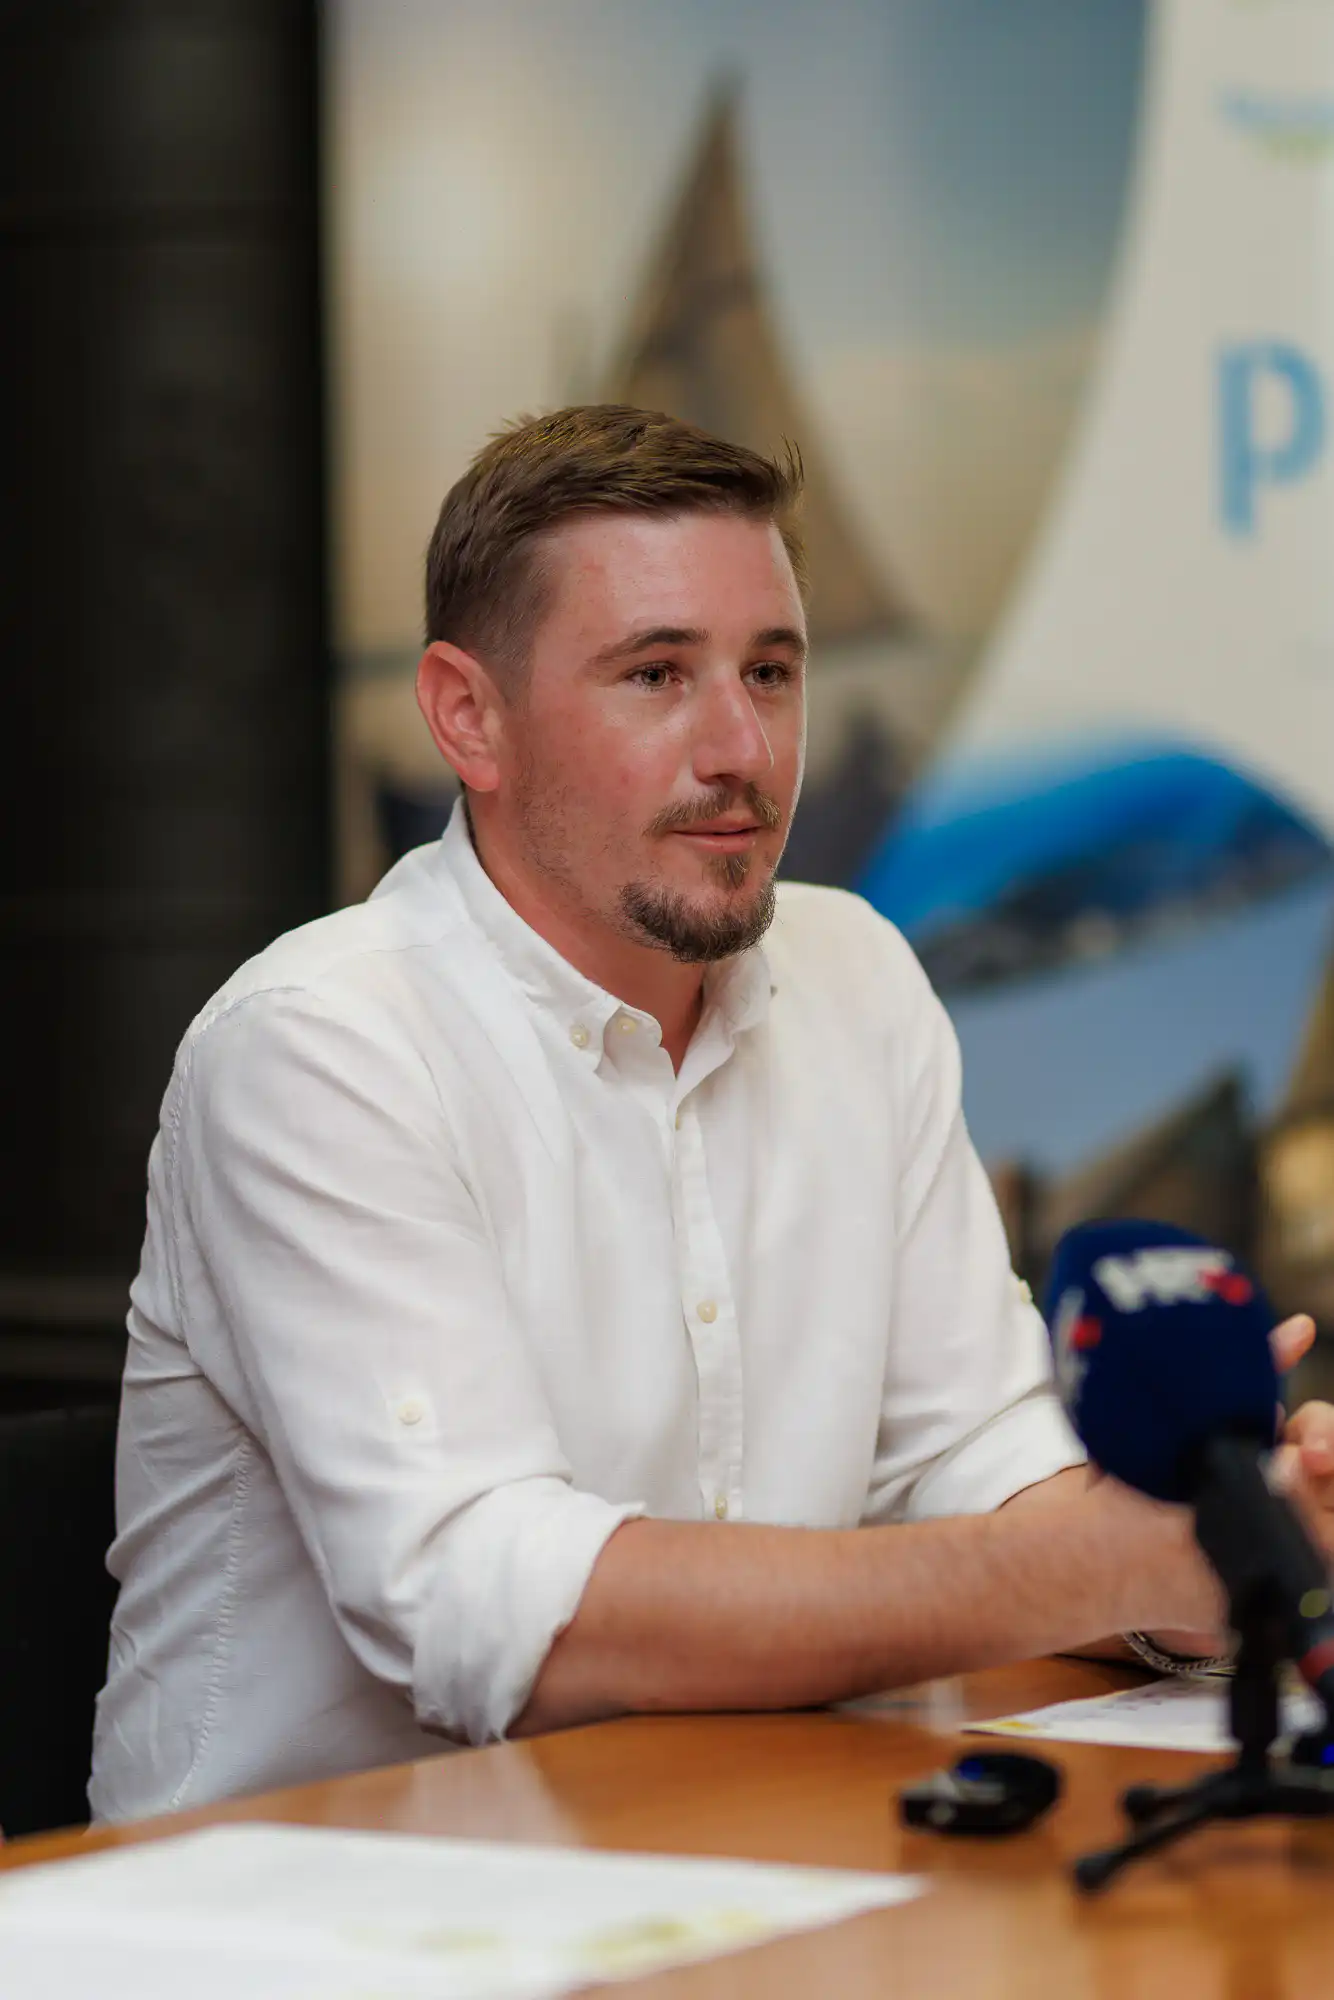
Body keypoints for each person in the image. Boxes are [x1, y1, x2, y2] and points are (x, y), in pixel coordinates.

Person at [90, 406, 1334, 1821]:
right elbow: (489, 1609)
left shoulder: (857, 973)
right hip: (300, 1900)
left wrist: (1212, 1542)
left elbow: (970, 1456)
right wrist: (1075, 1569)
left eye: (772, 671)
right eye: (656, 674)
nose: (742, 745)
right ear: (467, 717)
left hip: (723, 1853)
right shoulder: (316, 1046)